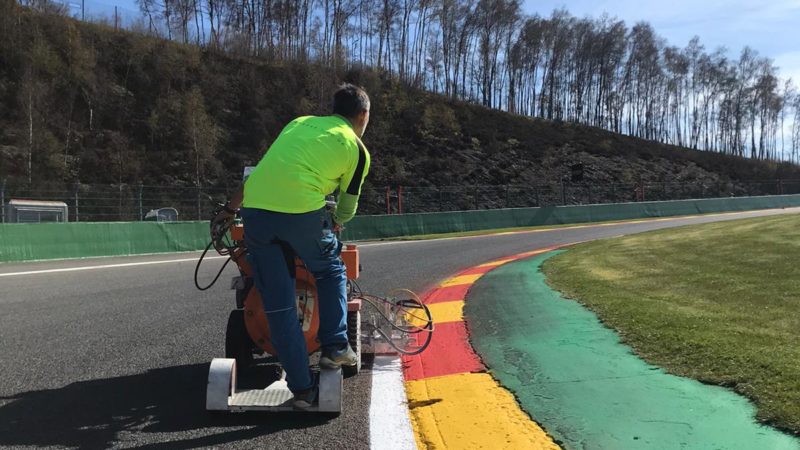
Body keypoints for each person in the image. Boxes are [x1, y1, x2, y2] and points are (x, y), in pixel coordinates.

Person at [212, 83, 371, 408]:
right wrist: (335, 223)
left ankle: (302, 390)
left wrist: (229, 212)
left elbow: (257, 177)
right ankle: (335, 348)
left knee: (279, 306)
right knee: (331, 271)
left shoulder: (298, 123)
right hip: (302, 212)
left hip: (255, 214)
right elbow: (347, 207)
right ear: (363, 116)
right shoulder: (356, 148)